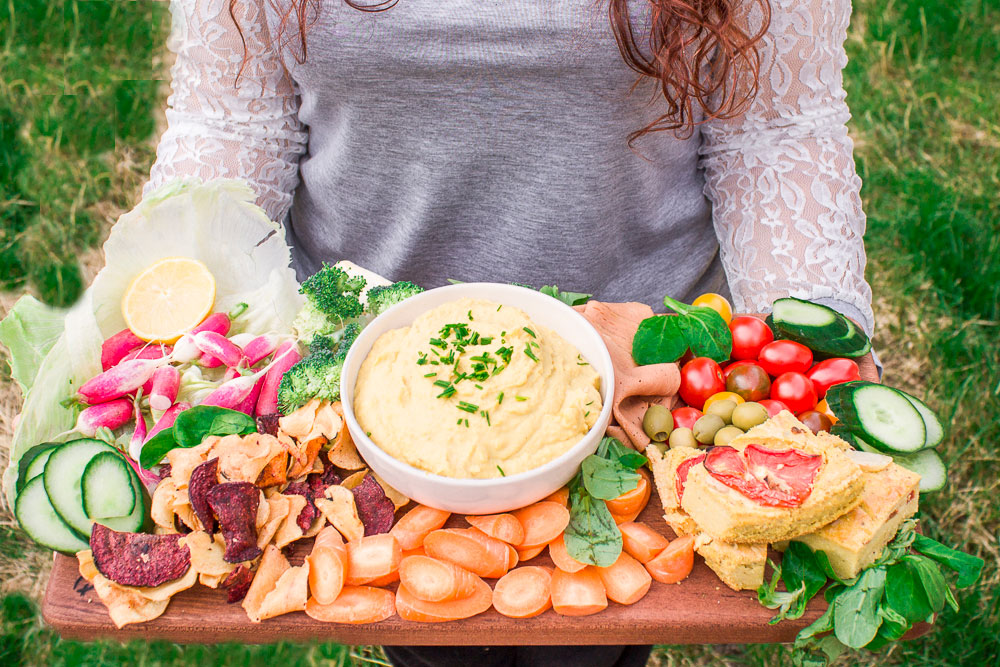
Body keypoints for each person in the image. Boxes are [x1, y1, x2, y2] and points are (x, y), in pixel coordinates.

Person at [143, 0, 875, 664]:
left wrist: (816, 354)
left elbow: (775, 127)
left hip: (637, 384)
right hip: (359, 385)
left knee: (589, 649)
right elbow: (234, 117)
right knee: (436, 638)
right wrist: (177, 337)